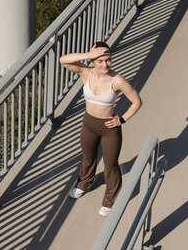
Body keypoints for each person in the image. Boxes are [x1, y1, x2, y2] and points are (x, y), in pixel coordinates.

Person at [59, 41, 143, 216]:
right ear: (93, 61)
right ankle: (84, 184)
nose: (105, 64)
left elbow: (137, 102)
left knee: (110, 165)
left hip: (109, 128)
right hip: (89, 124)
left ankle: (110, 199)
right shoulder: (85, 72)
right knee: (88, 158)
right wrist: (88, 55)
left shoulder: (117, 80)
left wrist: (122, 119)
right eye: (100, 61)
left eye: (109, 60)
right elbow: (63, 60)